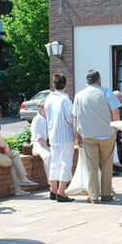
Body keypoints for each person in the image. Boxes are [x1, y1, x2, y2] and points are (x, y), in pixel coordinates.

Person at [74, 70, 120, 204]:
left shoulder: (79, 95)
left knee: (92, 166)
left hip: (88, 134)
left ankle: (93, 195)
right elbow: (115, 112)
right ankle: (106, 193)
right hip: (106, 133)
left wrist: (77, 134)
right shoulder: (107, 92)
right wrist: (115, 130)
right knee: (106, 164)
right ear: (99, 80)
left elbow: (75, 117)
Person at [0, 103, 38, 197]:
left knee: (15, 154)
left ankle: (24, 179)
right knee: (11, 162)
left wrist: (5, 146)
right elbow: (1, 144)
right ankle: (18, 188)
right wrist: (6, 145)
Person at [44, 74, 76, 202]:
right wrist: (77, 135)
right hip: (65, 136)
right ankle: (62, 191)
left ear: (53, 85)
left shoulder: (48, 99)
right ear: (66, 85)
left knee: (54, 163)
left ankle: (53, 189)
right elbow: (71, 119)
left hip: (53, 135)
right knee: (65, 163)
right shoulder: (65, 100)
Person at [30, 104, 52, 181]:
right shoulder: (37, 120)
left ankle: (64, 181)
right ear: (42, 109)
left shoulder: (48, 118)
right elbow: (39, 139)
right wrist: (49, 148)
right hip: (38, 145)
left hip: (47, 143)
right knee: (48, 156)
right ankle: (51, 182)